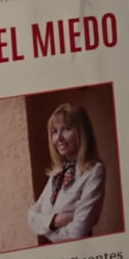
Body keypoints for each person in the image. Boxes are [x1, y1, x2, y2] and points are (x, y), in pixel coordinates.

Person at [26, 102, 104, 244]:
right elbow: (31, 217)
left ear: (82, 132)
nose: (58, 138)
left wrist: (46, 228)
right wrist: (55, 221)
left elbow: (78, 231)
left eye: (66, 129)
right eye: (54, 132)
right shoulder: (57, 173)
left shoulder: (94, 171)